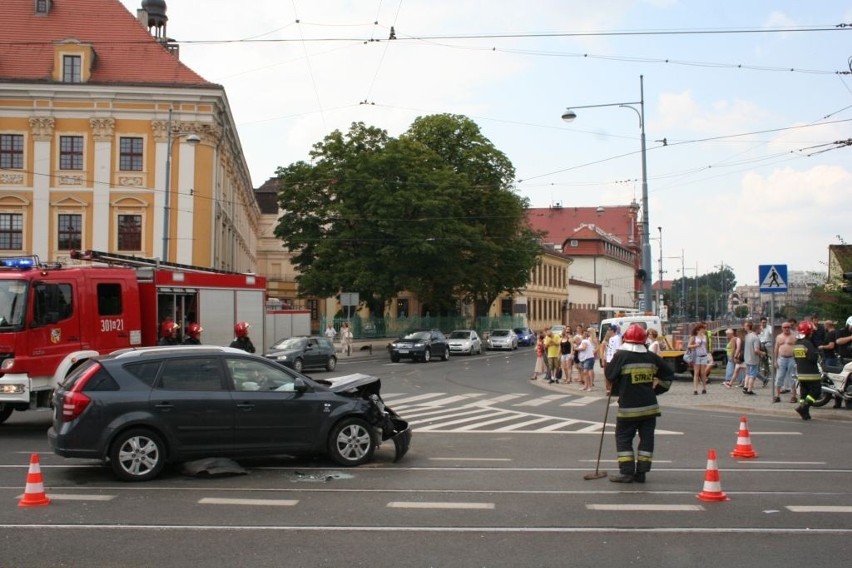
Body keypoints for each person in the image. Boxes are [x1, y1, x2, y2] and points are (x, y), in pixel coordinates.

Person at [604, 323, 673, 483]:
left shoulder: (621, 355)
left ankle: (627, 473)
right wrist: (657, 390)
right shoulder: (651, 357)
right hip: (650, 408)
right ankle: (641, 473)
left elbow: (610, 374)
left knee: (623, 438)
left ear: (626, 339)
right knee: (647, 439)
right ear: (643, 340)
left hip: (628, 408)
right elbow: (668, 375)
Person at [792, 321, 821, 420]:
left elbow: (795, 358)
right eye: (811, 331)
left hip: (801, 373)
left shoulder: (797, 344)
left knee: (804, 393)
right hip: (811, 373)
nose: (812, 333)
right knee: (816, 391)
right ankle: (804, 407)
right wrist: (817, 354)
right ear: (808, 332)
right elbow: (813, 358)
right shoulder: (807, 343)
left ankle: (805, 414)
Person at [773, 320, 798, 403]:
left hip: (792, 358)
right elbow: (776, 349)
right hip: (781, 359)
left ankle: (793, 396)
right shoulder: (779, 337)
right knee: (779, 377)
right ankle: (777, 395)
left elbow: (798, 348)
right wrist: (775, 360)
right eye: (785, 327)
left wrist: (798, 361)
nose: (787, 329)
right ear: (782, 328)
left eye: (788, 327)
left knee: (792, 377)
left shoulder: (794, 336)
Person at [687, 322, 712, 395]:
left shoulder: (704, 336)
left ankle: (704, 388)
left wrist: (708, 354)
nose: (704, 330)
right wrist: (695, 345)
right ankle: (695, 389)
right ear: (698, 330)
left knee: (703, 373)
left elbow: (705, 346)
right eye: (702, 329)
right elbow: (688, 346)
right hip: (696, 356)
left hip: (704, 355)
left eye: (704, 329)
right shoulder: (694, 337)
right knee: (696, 373)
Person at [741, 321, 763, 395]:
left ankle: (745, 386)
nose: (761, 330)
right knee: (752, 375)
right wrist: (762, 353)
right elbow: (756, 350)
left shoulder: (747, 336)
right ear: (757, 329)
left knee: (747, 373)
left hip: (747, 357)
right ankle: (749, 390)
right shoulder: (755, 338)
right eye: (760, 329)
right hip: (753, 359)